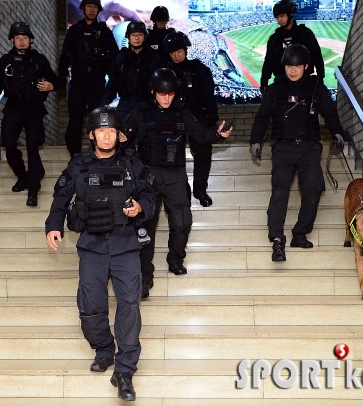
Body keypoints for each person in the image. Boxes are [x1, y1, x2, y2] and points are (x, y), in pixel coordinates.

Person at [45, 106, 156, 401]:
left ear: (118, 135)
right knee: (91, 307)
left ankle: (125, 369)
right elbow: (60, 197)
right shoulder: (79, 164)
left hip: (125, 245)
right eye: (101, 131)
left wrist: (140, 207)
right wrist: (53, 225)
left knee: (129, 305)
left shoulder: (132, 163)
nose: (106, 136)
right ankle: (104, 349)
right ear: (92, 134)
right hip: (92, 246)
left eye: (111, 131)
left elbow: (149, 194)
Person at [124, 68, 233, 299]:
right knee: (145, 227)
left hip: (175, 176)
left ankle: (175, 258)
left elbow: (201, 135)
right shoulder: (139, 113)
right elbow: (123, 141)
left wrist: (218, 134)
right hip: (147, 177)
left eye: (170, 93)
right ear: (153, 92)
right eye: (162, 93)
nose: (166, 97)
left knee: (183, 222)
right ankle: (145, 275)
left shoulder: (183, 114)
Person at [249, 44, 344, 262]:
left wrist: (337, 132)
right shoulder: (274, 89)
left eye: (298, 66)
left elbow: (330, 113)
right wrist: (255, 140)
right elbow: (262, 117)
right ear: (284, 66)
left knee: (313, 189)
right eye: (289, 66)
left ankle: (300, 232)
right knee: (280, 192)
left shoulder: (315, 87)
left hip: (310, 147)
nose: (293, 70)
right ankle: (277, 240)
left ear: (306, 67)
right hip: (283, 147)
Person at [0, 22, 58, 207]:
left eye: (25, 38)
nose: (21, 41)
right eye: (18, 38)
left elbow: (55, 80)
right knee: (9, 144)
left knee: (33, 146)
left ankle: (33, 189)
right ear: (12, 40)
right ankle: (22, 175)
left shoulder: (39, 60)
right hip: (13, 107)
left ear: (30, 40)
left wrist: (51, 86)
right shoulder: (6, 60)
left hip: (34, 108)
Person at [162, 31, 219, 207]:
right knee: (172, 155)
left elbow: (209, 96)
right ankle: (181, 191)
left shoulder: (200, 69)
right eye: (172, 52)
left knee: (203, 152)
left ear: (186, 49)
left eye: (179, 50)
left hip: (197, 115)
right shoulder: (164, 72)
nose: (176, 55)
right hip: (172, 117)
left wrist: (212, 119)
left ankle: (200, 190)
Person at [59, 0, 119, 156]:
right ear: (83, 8)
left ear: (98, 10)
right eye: (89, 7)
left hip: (97, 80)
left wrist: (113, 78)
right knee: (75, 117)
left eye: (95, 7)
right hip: (78, 79)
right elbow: (65, 55)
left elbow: (115, 55)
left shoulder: (104, 31)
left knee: (98, 118)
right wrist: (61, 77)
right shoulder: (74, 30)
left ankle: (97, 151)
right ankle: (74, 153)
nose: (92, 10)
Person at [260, 0, 324, 96]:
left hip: (304, 83)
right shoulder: (274, 39)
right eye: (277, 17)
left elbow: (317, 55)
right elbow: (268, 61)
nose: (279, 20)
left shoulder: (305, 33)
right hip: (281, 84)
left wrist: (320, 77)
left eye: (282, 16)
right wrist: (263, 82)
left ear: (291, 14)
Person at [103, 21, 161, 121]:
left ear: (145, 36)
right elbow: (113, 81)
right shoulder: (121, 58)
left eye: (140, 35)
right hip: (126, 104)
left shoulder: (154, 57)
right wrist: (106, 101)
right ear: (128, 37)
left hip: (148, 103)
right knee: (123, 134)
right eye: (133, 35)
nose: (137, 38)